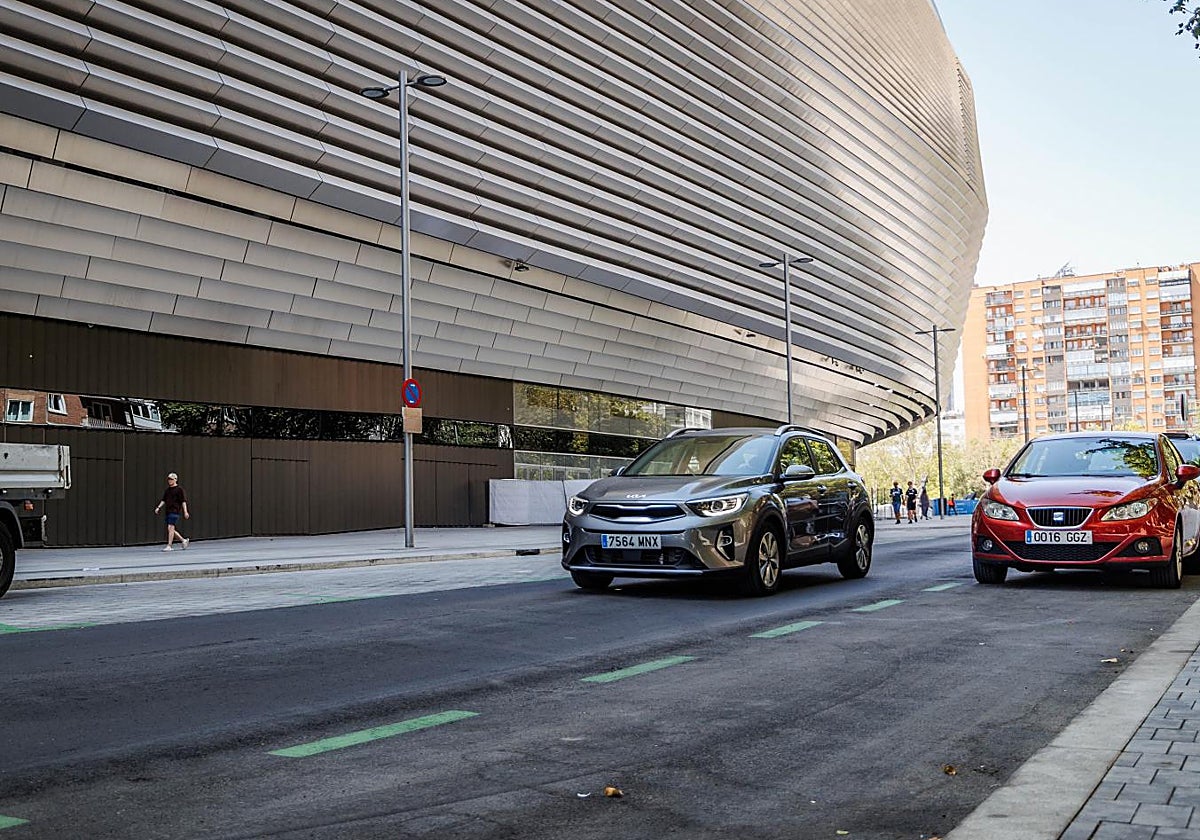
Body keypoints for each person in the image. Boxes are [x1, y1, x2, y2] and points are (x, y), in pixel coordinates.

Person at [154, 472, 190, 551]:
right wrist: (158, 507)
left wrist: (185, 511)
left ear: (176, 480)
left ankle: (169, 545)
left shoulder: (179, 490)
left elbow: (183, 501)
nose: (169, 481)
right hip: (168, 511)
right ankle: (183, 540)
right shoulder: (167, 490)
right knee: (170, 529)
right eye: (169, 479)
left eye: (171, 479)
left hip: (175, 511)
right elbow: (164, 500)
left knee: (170, 527)